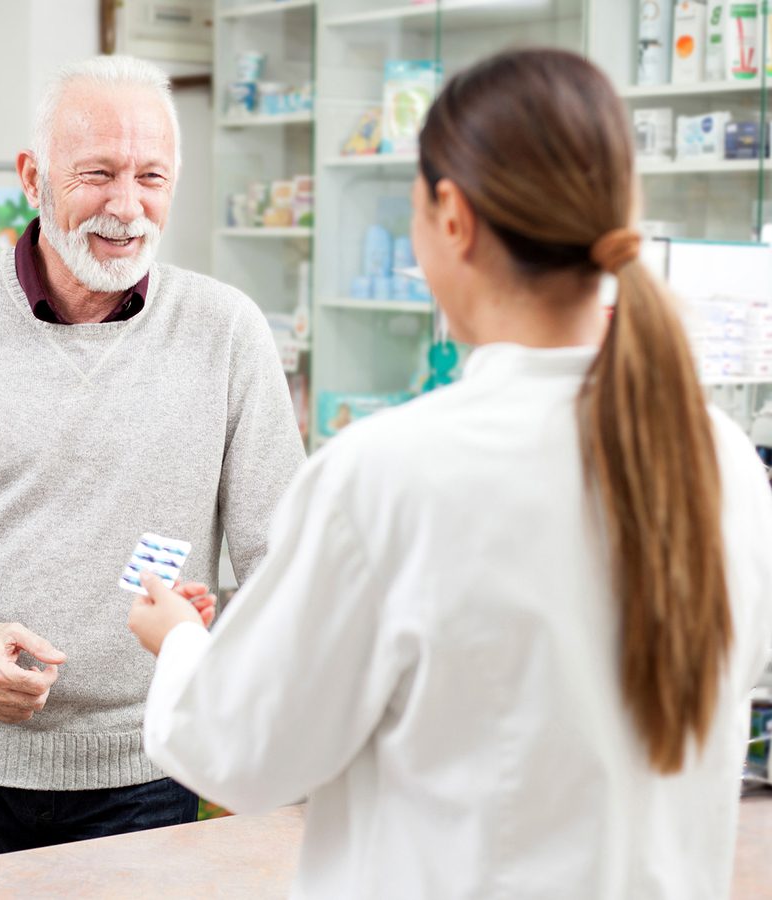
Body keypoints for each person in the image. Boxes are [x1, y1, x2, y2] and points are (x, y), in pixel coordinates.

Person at [131, 48, 772, 898]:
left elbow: (240, 757)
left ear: (453, 216)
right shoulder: (722, 460)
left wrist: (178, 639)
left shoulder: (389, 475)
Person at [0, 55, 305, 867]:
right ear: (33, 177)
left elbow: (284, 562)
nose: (126, 205)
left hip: (147, 766)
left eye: (152, 176)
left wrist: (208, 660)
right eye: (97, 173)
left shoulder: (227, 333)